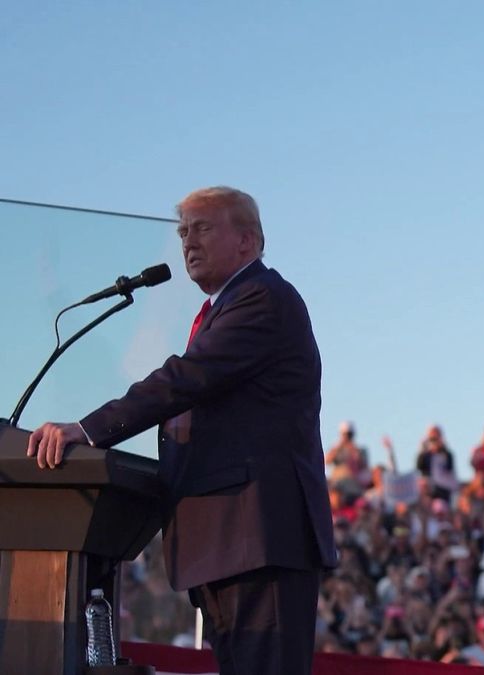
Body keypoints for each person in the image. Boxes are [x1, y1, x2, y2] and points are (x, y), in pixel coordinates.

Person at [26, 186, 337, 674]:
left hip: (258, 539)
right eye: (183, 231)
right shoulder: (223, 308)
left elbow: (186, 379)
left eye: (203, 228)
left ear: (247, 240)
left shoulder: (263, 298)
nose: (188, 241)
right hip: (225, 543)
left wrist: (89, 429)